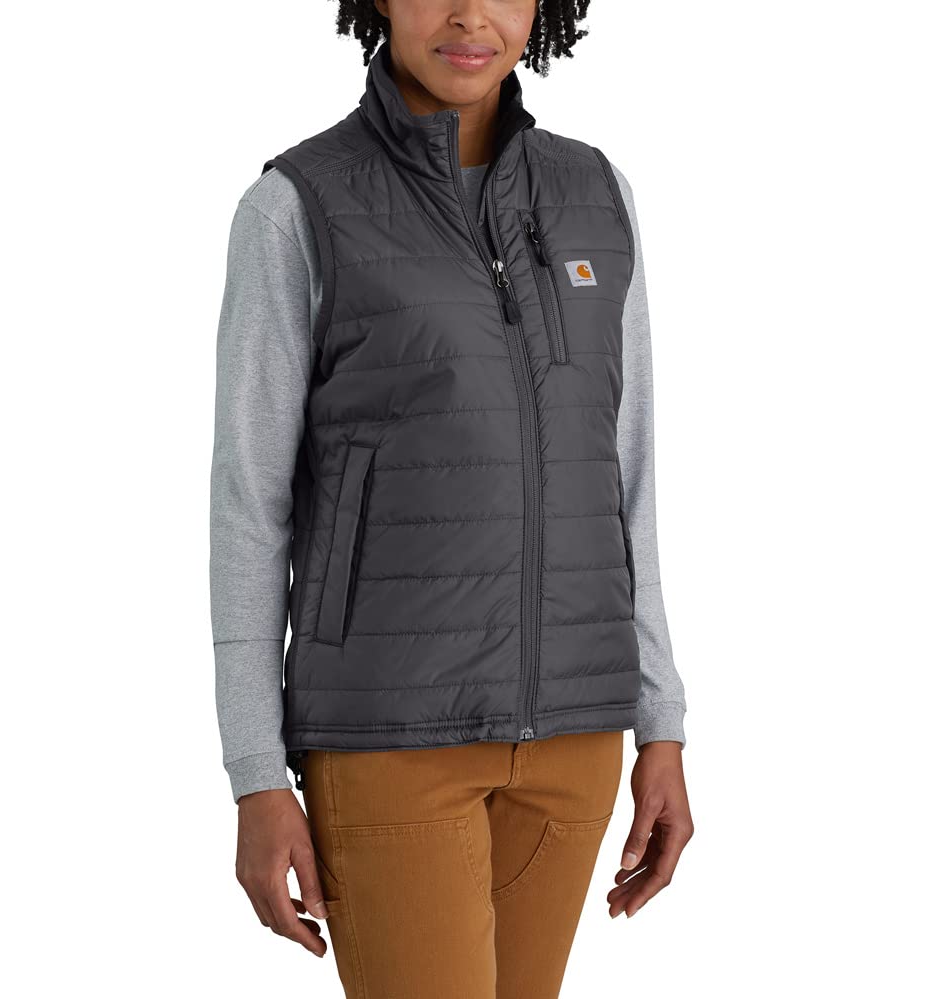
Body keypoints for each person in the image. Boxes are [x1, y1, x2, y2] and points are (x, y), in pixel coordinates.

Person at [210, 2, 693, 995]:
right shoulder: (297, 206)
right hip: (390, 734)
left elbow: (627, 473)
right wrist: (255, 770)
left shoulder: (597, 194)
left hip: (575, 737)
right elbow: (249, 504)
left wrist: (661, 721)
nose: (471, 14)